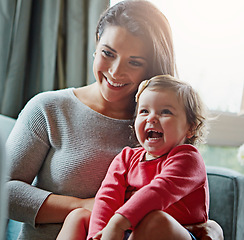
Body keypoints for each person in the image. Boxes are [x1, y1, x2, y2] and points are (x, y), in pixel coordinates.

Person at [6, 1, 223, 239]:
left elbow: (179, 195)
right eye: (108, 53)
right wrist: (85, 206)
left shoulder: (162, 124)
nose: (116, 72)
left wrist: (214, 228)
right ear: (96, 41)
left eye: (134, 62)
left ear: (150, 66)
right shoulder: (48, 109)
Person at [56, 75, 209, 240]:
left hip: (176, 232)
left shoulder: (188, 159)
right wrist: (98, 234)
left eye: (166, 112)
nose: (151, 118)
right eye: (144, 111)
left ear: (190, 128)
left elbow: (158, 192)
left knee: (154, 219)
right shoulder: (126, 158)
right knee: (78, 216)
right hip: (127, 230)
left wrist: (117, 223)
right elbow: (107, 197)